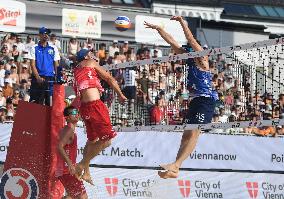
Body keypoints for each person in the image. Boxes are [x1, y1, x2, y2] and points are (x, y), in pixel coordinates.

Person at [144, 16, 218, 179]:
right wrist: (159, 29)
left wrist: (182, 22)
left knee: (193, 133)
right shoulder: (190, 58)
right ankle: (175, 167)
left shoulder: (202, 58)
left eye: (190, 49)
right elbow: (173, 43)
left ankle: (176, 166)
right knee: (187, 134)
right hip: (196, 100)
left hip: (205, 99)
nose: (186, 51)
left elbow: (190, 39)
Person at [72, 49, 127, 183]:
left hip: (85, 108)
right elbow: (109, 78)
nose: (92, 55)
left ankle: (87, 172)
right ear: (85, 57)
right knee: (107, 141)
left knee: (92, 141)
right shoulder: (90, 62)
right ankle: (82, 164)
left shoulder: (76, 70)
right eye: (89, 53)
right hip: (95, 106)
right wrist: (120, 94)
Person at [56, 106, 88, 199]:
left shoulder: (69, 129)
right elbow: (59, 146)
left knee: (71, 196)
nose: (77, 114)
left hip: (64, 170)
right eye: (74, 113)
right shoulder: (69, 129)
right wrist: (70, 164)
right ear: (67, 117)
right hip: (66, 170)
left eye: (77, 112)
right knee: (83, 197)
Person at [29, 27, 60, 106]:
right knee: (35, 103)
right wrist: (38, 77)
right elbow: (32, 64)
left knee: (49, 103)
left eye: (47, 34)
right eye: (44, 33)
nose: (46, 36)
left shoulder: (53, 48)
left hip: (50, 78)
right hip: (38, 78)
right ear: (39, 35)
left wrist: (58, 78)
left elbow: (56, 64)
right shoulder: (34, 47)